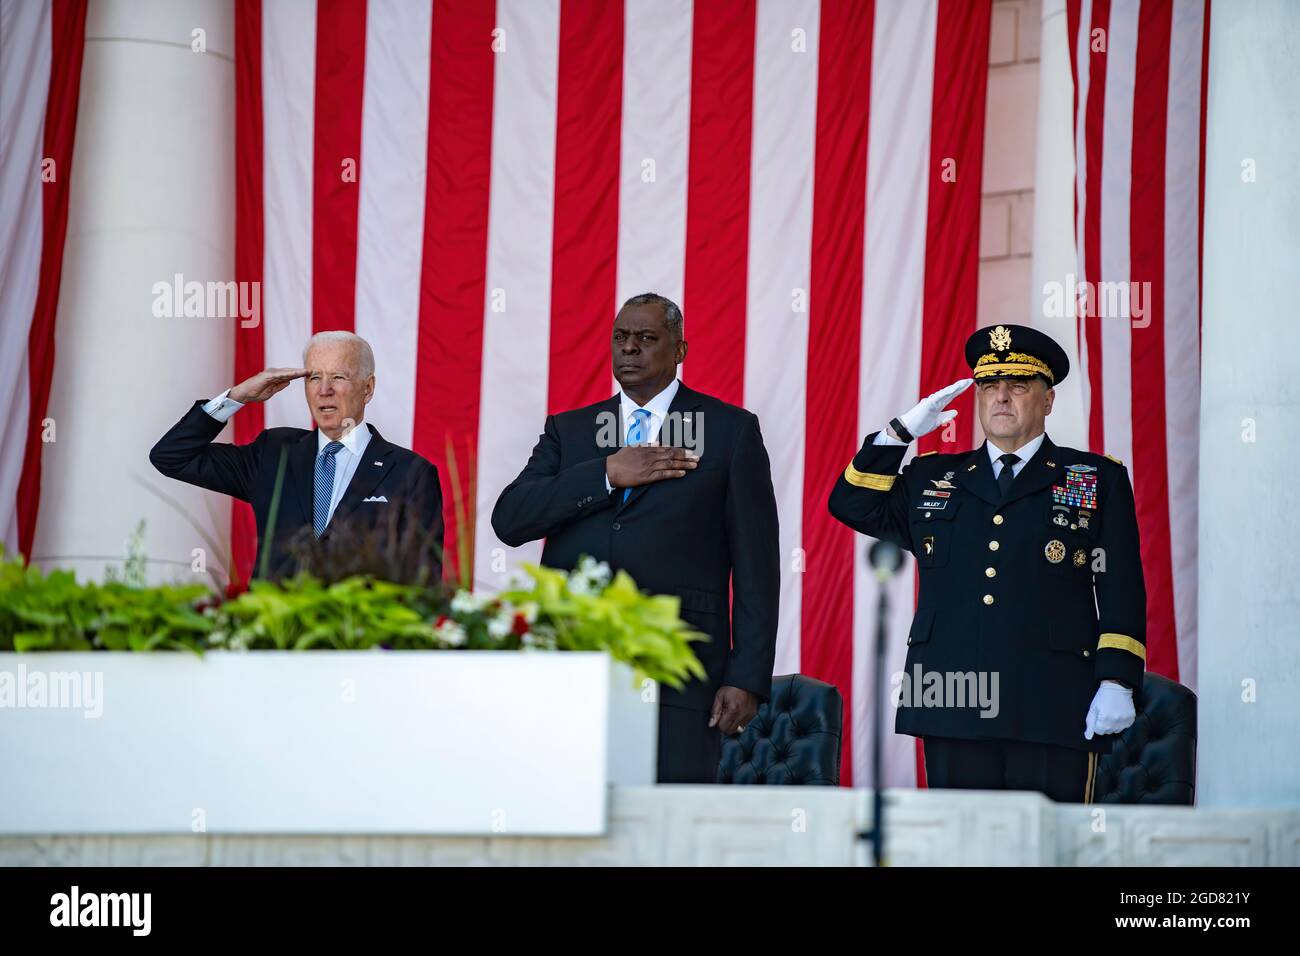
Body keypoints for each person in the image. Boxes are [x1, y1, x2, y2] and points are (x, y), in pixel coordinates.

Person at [827, 324, 1145, 802]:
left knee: (1046, 851)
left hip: (1052, 699)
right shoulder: (935, 475)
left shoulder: (1095, 477)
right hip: (953, 695)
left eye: (1017, 385)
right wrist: (900, 432)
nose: (1001, 397)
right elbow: (851, 503)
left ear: (1048, 399)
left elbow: (1121, 586)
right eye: (989, 386)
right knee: (961, 847)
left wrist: (1117, 679)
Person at [492, 293, 780, 783]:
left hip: (679, 667)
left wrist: (745, 676)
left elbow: (758, 567)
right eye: (621, 338)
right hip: (573, 661)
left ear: (680, 350)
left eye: (647, 339)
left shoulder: (729, 431)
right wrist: (605, 473)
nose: (630, 349)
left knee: (668, 817)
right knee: (569, 805)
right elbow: (511, 519)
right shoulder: (572, 431)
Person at [150, 331, 443, 584]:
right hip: (275, 641)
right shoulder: (273, 453)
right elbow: (172, 456)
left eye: (338, 377)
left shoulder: (411, 473)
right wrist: (237, 397)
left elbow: (424, 578)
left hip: (361, 644)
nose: (324, 390)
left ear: (367, 388)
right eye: (314, 377)